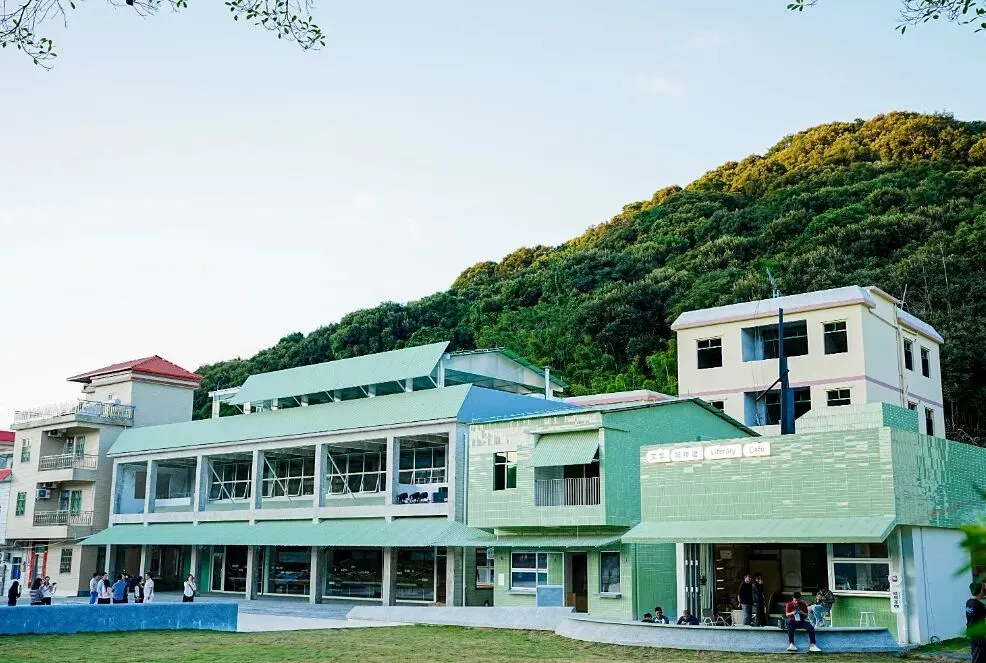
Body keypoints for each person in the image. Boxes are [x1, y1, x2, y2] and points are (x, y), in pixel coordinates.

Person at [966, 581, 986, 663]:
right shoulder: (979, 605)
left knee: (980, 655)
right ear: (980, 591)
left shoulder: (968, 602)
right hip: (978, 635)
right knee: (978, 658)